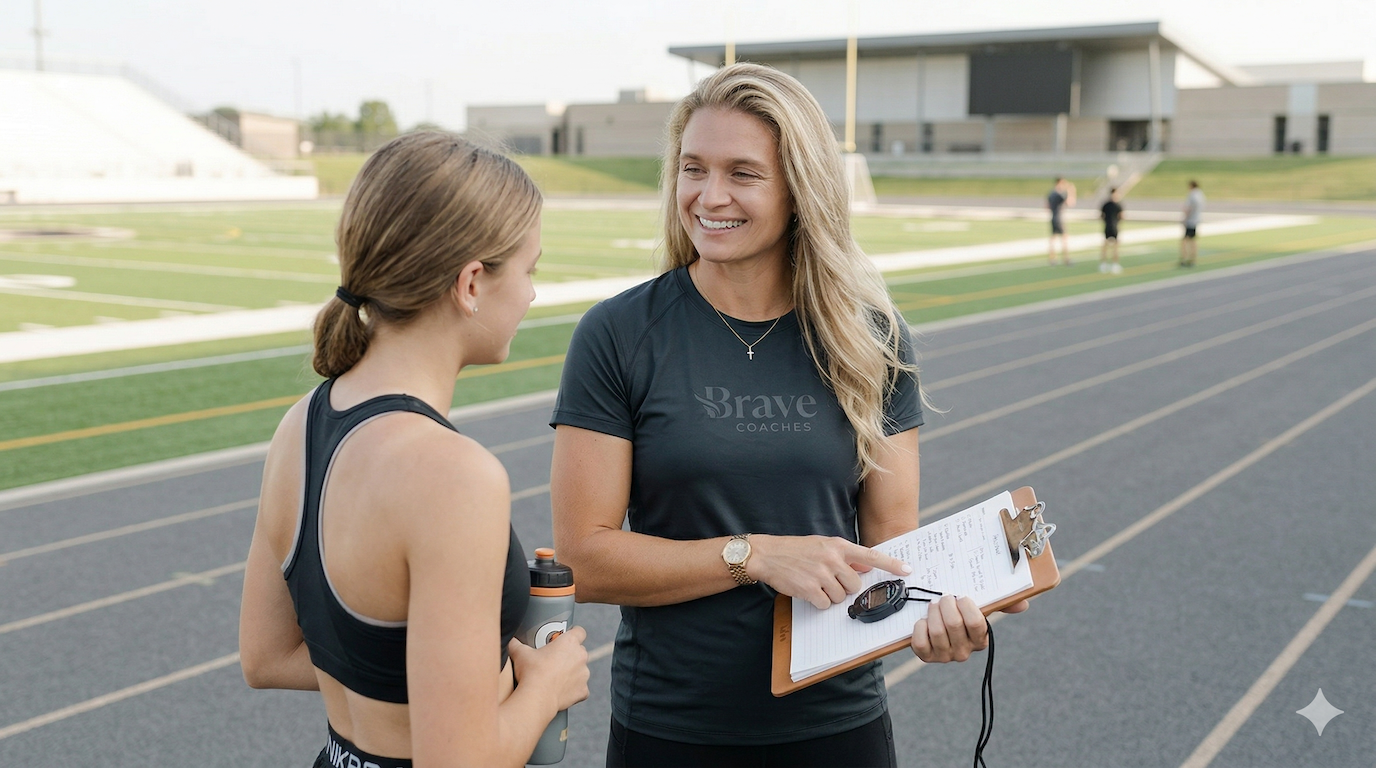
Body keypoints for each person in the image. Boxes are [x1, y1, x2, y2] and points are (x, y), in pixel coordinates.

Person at [549, 63, 1028, 768]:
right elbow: (584, 561)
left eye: (742, 173)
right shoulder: (618, 334)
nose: (709, 195)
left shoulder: (872, 338)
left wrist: (949, 609)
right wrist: (755, 555)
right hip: (671, 729)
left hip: (837, 726)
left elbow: (891, 548)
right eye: (693, 168)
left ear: (800, 190)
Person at [238, 132, 590, 768]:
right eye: (530, 270)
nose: (532, 294)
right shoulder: (455, 477)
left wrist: (444, 687)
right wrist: (545, 687)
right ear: (472, 282)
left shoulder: (301, 424)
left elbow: (267, 657)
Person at [1047, 176, 1076, 265]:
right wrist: (1071, 191)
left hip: (1053, 217)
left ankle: (1052, 259)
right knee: (1064, 238)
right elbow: (1070, 203)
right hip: (1060, 218)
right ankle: (1066, 259)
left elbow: (1047, 206)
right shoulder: (1060, 194)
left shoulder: (1051, 194)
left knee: (1053, 238)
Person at [1099, 187, 1124, 274]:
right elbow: (1121, 216)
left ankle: (1104, 264)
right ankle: (1114, 264)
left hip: (1108, 226)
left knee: (1106, 246)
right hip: (1114, 226)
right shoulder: (1117, 205)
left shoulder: (1106, 204)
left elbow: (1101, 216)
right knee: (1114, 246)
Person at [1180, 180, 1205, 267]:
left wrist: (1185, 218)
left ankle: (1184, 258)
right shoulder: (1200, 194)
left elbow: (1189, 208)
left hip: (1190, 220)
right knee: (1193, 240)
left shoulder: (1192, 195)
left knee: (1185, 240)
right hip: (1196, 219)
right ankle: (1193, 259)